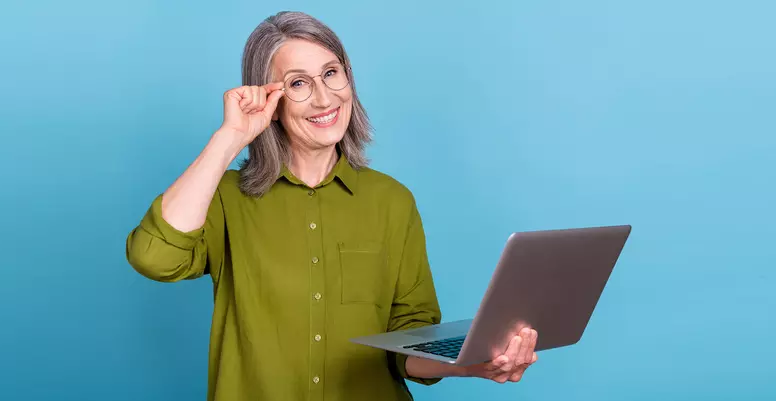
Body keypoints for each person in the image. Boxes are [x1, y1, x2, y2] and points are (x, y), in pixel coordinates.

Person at [125, 11, 538, 401]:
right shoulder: (224, 197)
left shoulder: (392, 201)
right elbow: (155, 258)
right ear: (270, 99)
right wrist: (231, 137)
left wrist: (469, 364)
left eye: (330, 73)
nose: (324, 99)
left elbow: (408, 338)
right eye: (298, 83)